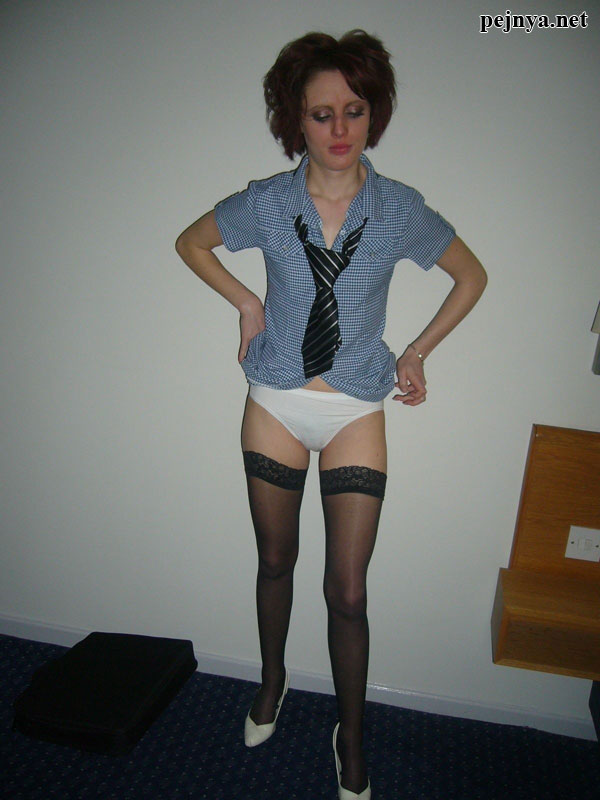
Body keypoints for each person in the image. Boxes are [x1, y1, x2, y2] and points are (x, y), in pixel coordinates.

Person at [175, 30, 487, 800]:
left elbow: (471, 276)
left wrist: (417, 352)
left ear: (374, 114)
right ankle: (272, 681)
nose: (340, 128)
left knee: (348, 590)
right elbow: (192, 242)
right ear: (296, 120)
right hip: (275, 402)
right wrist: (247, 301)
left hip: (355, 408)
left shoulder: (399, 209)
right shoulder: (267, 202)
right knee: (275, 561)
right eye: (322, 114)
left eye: (355, 110)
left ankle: (351, 734)